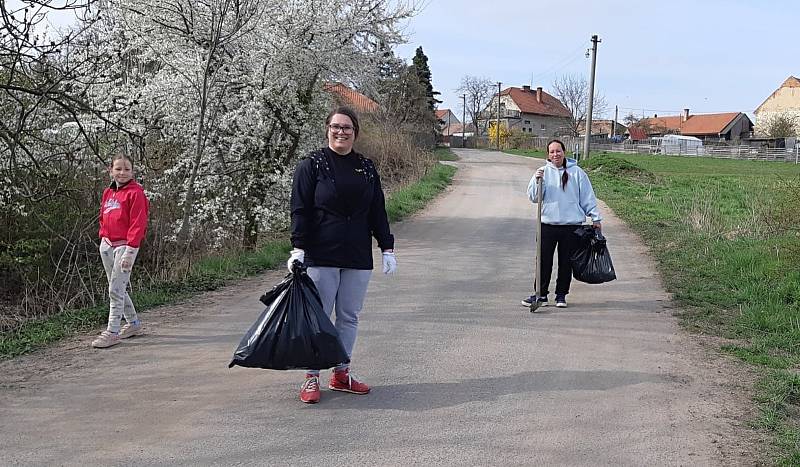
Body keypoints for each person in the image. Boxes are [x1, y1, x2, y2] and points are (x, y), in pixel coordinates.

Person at [288, 106, 396, 404]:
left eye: (347, 127)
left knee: (349, 316)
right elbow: (300, 209)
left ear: (355, 132)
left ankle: (341, 373)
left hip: (357, 254)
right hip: (321, 253)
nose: (341, 132)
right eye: (336, 126)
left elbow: (377, 210)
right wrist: (298, 247)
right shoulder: (311, 165)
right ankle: (311, 377)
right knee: (319, 315)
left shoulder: (366, 167)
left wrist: (387, 247)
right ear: (327, 129)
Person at [522, 139, 601, 309]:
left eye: (558, 151)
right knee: (543, 261)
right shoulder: (542, 172)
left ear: (564, 152)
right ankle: (540, 295)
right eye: (552, 152)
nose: (555, 154)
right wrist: (537, 182)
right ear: (547, 155)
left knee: (566, 262)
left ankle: (561, 295)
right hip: (547, 225)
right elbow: (534, 198)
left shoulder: (577, 173)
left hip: (571, 226)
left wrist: (596, 218)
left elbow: (588, 197)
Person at [92, 154, 149, 348]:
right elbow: (103, 216)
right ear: (111, 171)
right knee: (117, 287)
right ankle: (133, 324)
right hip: (107, 244)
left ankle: (113, 331)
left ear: (132, 171)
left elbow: (138, 223)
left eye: (126, 169)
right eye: (118, 169)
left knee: (115, 290)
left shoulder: (136, 193)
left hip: (125, 247)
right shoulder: (108, 192)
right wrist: (103, 236)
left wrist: (130, 251)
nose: (122, 173)